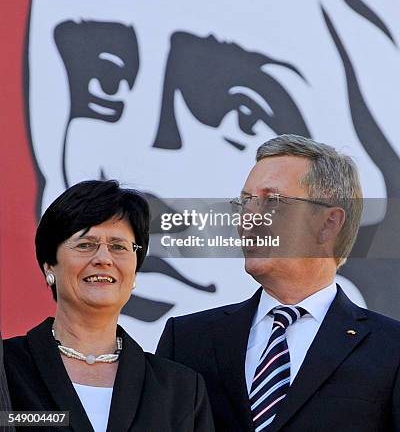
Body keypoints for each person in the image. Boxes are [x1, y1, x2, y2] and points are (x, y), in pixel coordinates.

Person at [26, 0, 400, 347]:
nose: (143, 167)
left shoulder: (387, 355)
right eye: (105, 86)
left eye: (239, 112)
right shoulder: (190, 346)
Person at [157, 134, 400, 431]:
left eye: (272, 201)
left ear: (328, 223)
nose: (249, 218)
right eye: (245, 201)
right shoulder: (187, 340)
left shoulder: (390, 349)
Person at [4, 180, 214, 432]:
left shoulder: (179, 389)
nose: (103, 259)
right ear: (50, 265)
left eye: (118, 246)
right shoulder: (8, 367)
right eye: (85, 245)